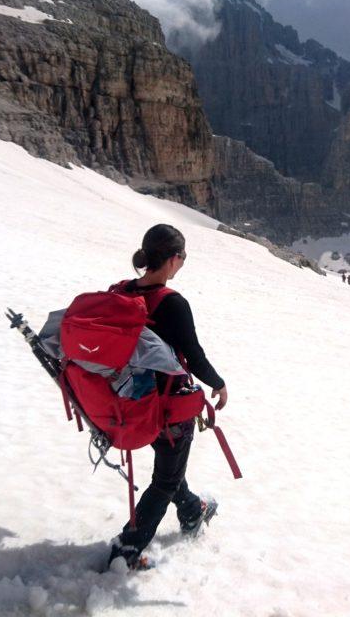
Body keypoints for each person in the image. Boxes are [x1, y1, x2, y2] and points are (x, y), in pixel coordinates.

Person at [108, 223, 229, 571]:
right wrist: (218, 383)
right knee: (165, 480)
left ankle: (192, 510)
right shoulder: (171, 302)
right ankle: (126, 550)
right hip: (169, 407)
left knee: (169, 466)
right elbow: (193, 354)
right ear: (174, 259)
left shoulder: (122, 292)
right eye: (183, 257)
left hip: (132, 401)